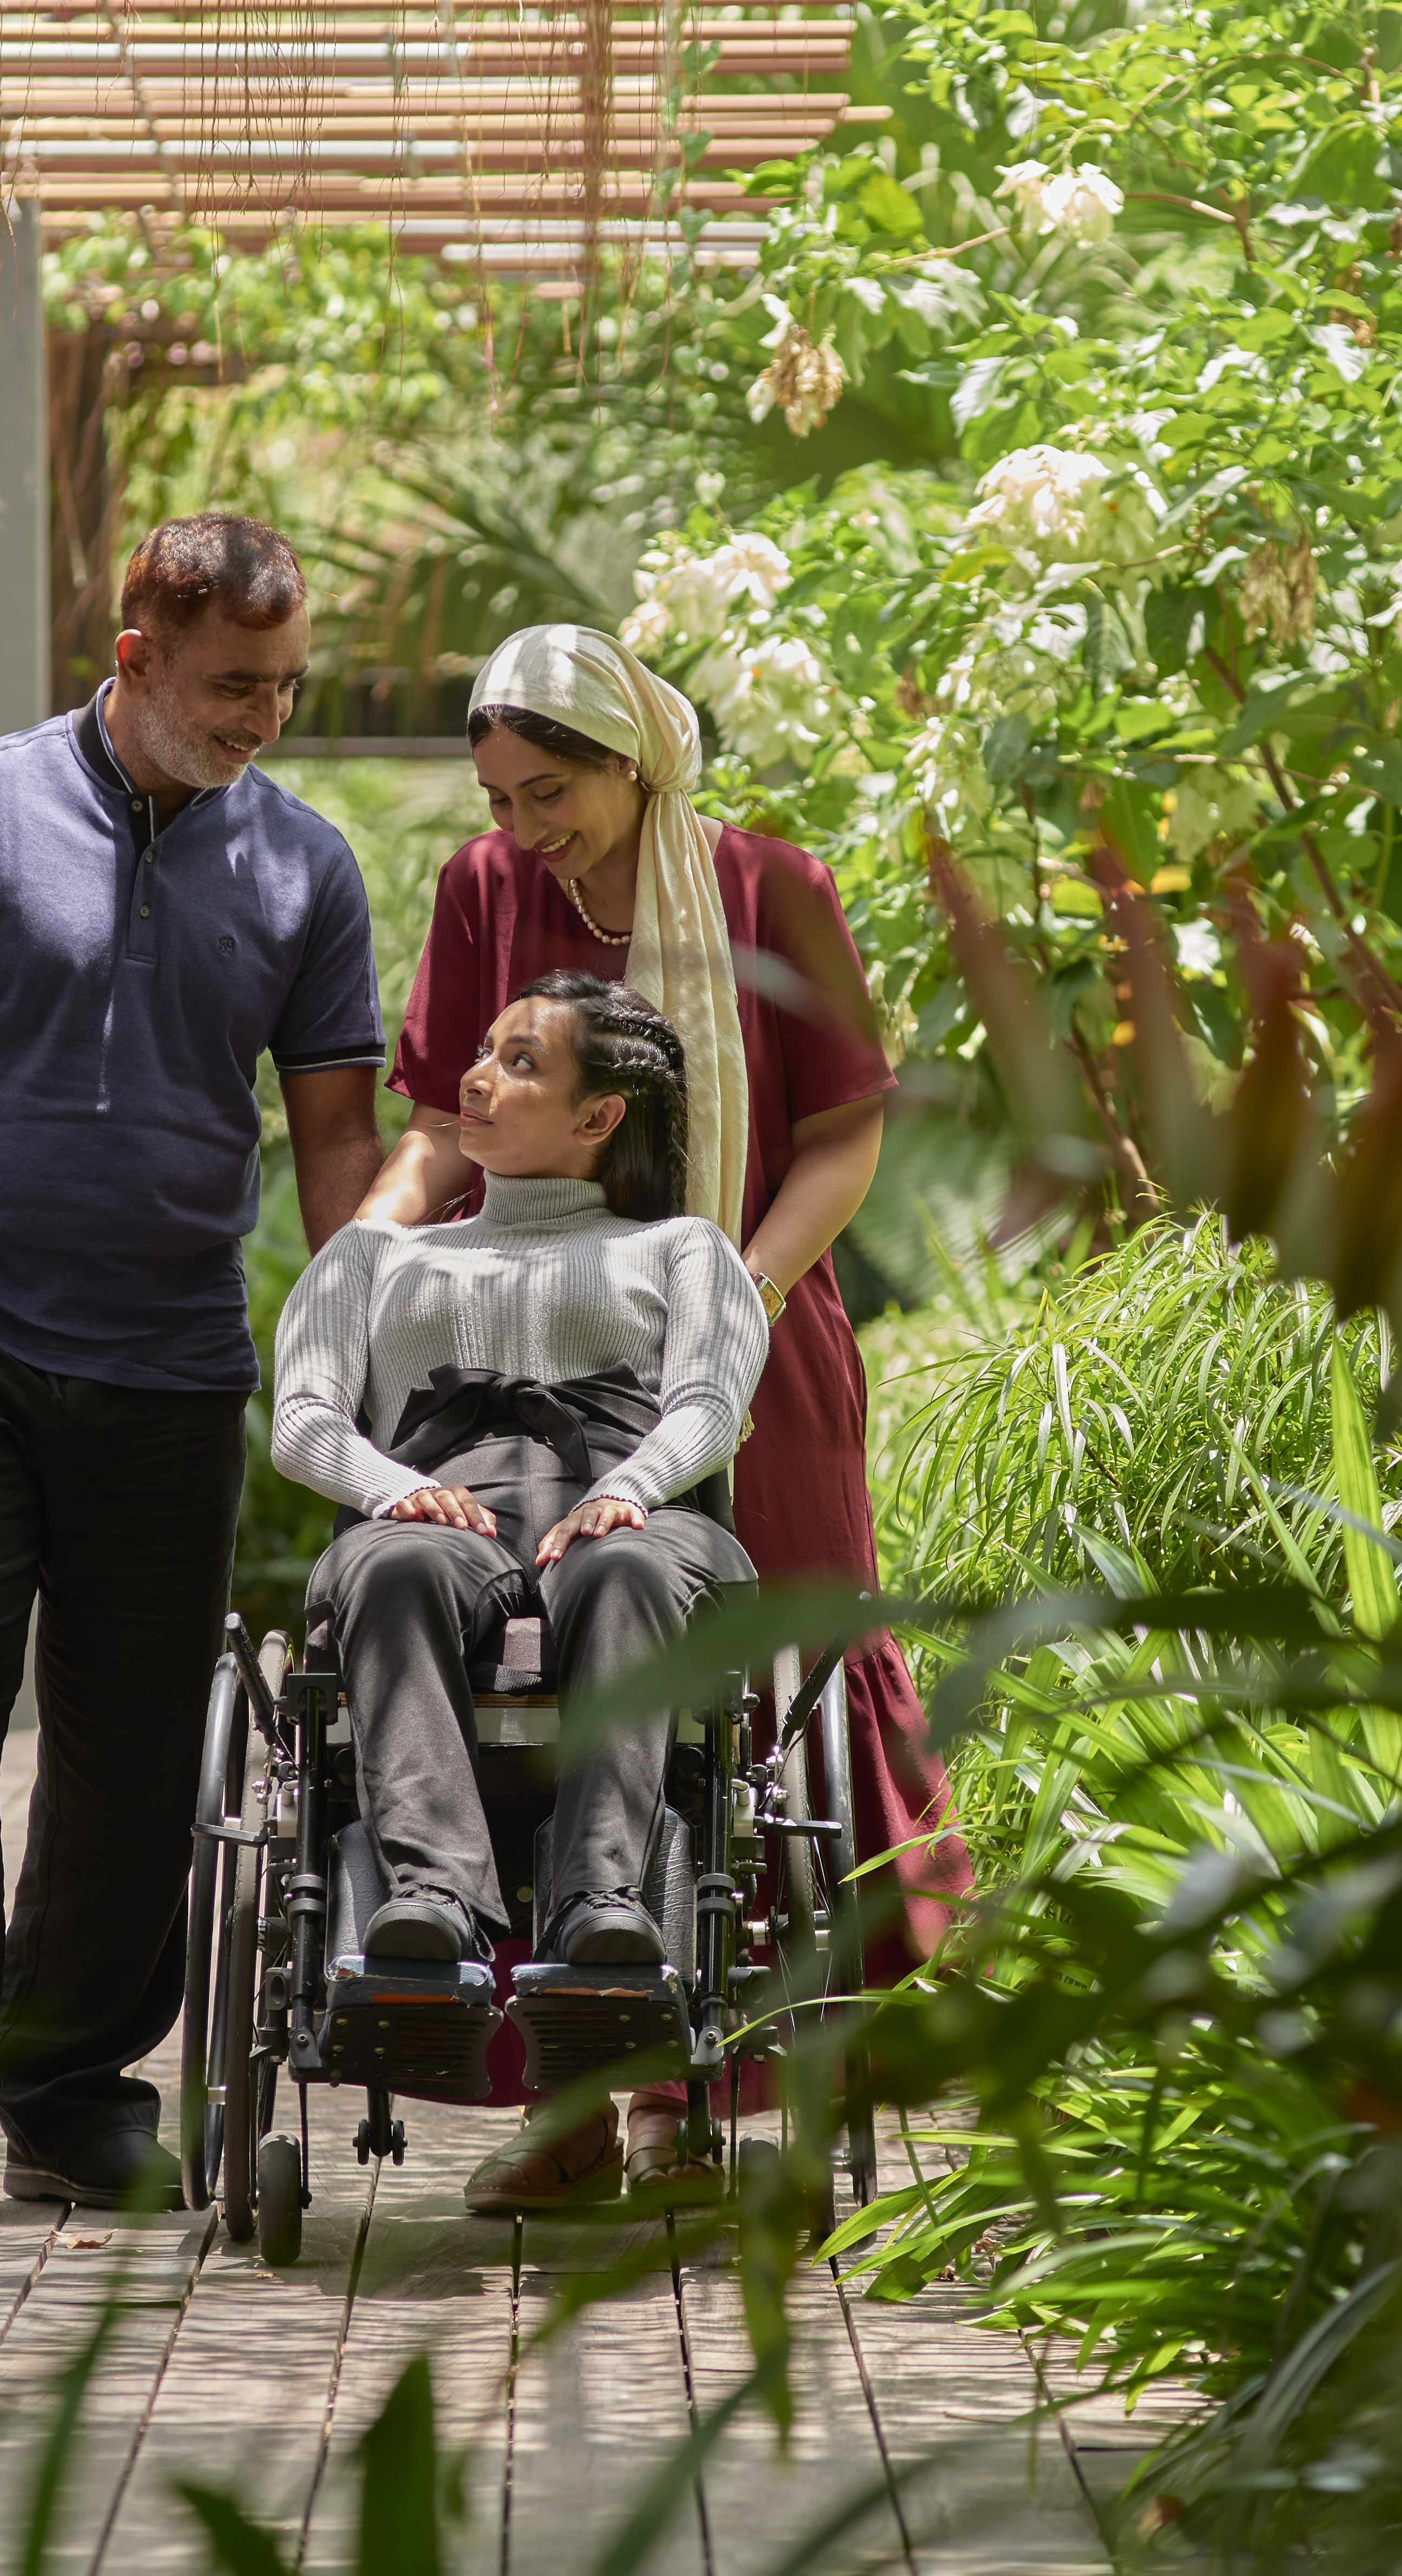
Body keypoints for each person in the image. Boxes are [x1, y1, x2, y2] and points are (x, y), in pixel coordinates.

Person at [0, 514, 388, 2210]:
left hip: (175, 1351)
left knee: (132, 1735)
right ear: (132, 655)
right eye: (230, 686)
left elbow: (336, 1140)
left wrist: (358, 1348)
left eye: (283, 686)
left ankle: (67, 2092)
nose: (262, 716)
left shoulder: (305, 868)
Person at [359, 622, 972, 2205]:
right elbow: (443, 1122)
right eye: (498, 795)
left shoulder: (778, 893)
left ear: (637, 762)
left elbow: (840, 1140)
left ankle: (695, 2093)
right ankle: (568, 2096)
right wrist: (377, 1237)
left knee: (773, 1698)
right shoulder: (487, 895)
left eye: (548, 790)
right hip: (530, 1347)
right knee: (541, 1674)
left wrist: (735, 1300)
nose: (520, 827)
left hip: (756, 1341)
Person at [275, 976, 763, 2215]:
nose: (474, 1080)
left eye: (518, 1063)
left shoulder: (680, 1250)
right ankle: (429, 1901)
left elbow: (709, 1403)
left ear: (599, 1116)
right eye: (479, 1055)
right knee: (385, 1567)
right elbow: (300, 1420)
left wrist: (637, 1488)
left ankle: (608, 1907)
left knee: (625, 1564)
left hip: (634, 1511)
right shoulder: (378, 1255)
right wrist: (391, 1491)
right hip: (437, 1509)